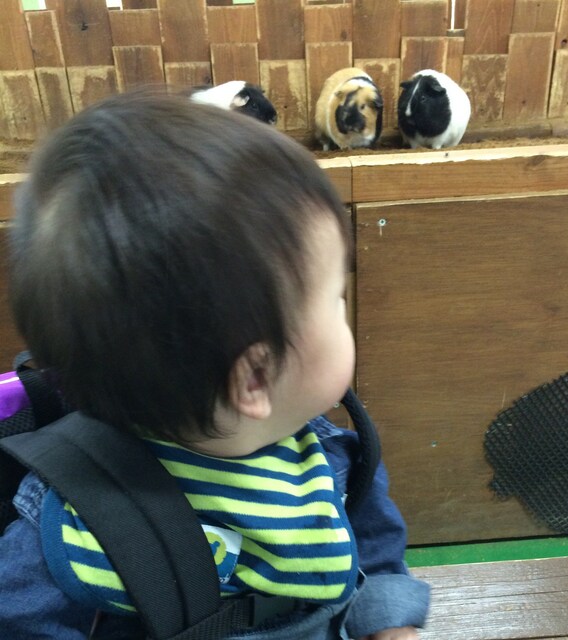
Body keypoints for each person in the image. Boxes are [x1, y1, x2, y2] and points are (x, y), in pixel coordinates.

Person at [0, 89, 429, 639]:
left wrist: (390, 624)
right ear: (256, 378)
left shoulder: (332, 460)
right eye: (334, 298)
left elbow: (373, 546)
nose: (345, 310)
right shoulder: (76, 525)